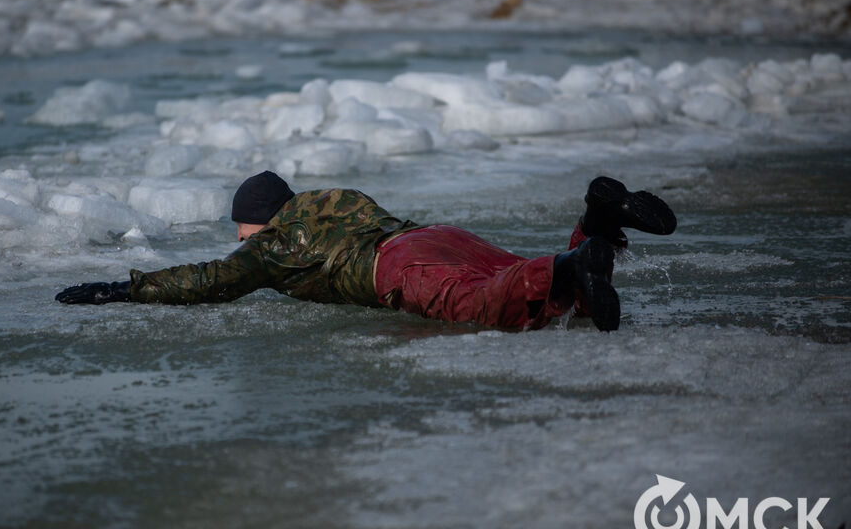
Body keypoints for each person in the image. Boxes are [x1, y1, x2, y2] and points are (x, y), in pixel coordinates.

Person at [55, 171, 676, 332]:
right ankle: (597, 223)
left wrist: (123, 289)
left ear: (260, 222)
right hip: (437, 236)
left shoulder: (273, 245)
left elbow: (209, 279)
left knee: (489, 306)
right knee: (535, 283)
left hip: (398, 267)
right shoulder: (333, 200)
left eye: (243, 230)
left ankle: (573, 261)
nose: (241, 243)